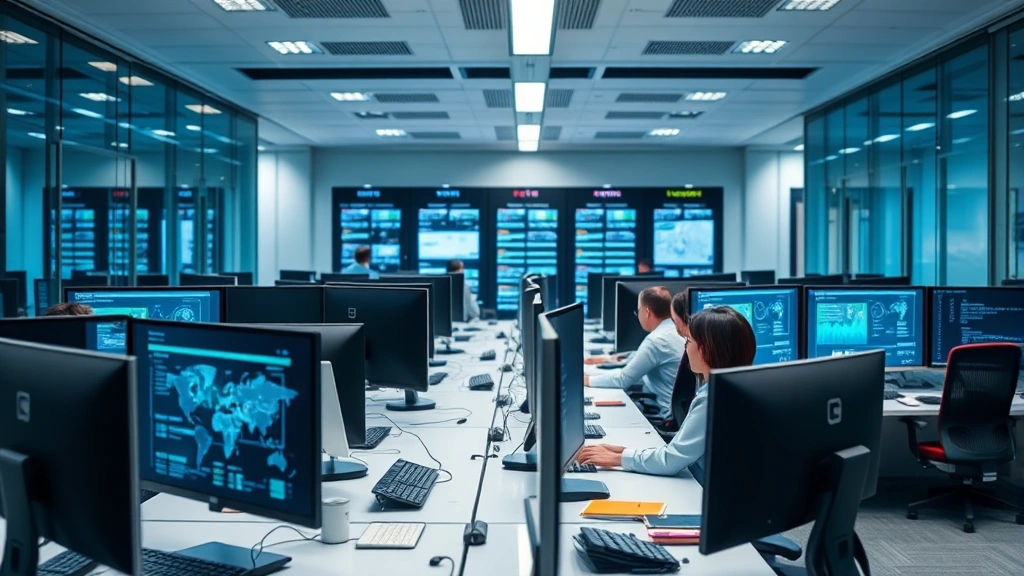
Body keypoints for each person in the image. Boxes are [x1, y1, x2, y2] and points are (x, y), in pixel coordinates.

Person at [577, 306, 756, 478]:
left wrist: (620, 458)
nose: (685, 347)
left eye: (689, 341)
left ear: (705, 350)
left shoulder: (710, 399)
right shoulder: (737, 389)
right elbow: (683, 448)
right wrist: (625, 452)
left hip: (697, 488)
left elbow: (671, 461)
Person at [584, 286, 683, 419]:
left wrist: (587, 380)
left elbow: (623, 380)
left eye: (638, 310)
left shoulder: (656, 341)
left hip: (665, 414)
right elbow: (631, 370)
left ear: (647, 312)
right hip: (678, 411)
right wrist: (591, 372)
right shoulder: (676, 330)